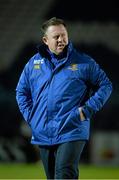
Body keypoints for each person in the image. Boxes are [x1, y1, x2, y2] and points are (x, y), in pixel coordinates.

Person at [16, 17, 113, 179]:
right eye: (56, 37)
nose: (61, 40)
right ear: (45, 40)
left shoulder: (83, 62)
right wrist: (31, 117)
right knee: (52, 177)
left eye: (64, 35)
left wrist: (87, 110)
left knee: (64, 174)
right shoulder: (33, 64)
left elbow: (106, 85)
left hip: (72, 128)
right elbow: (21, 91)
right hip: (43, 131)